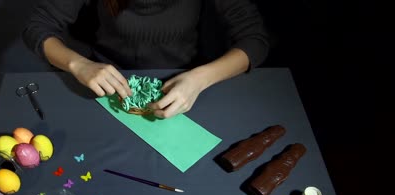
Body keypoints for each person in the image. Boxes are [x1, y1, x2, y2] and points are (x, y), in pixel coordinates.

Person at [22, 0, 269, 118]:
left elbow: (255, 41)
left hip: (184, 84)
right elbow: (37, 26)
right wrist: (79, 64)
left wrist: (200, 79)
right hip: (107, 84)